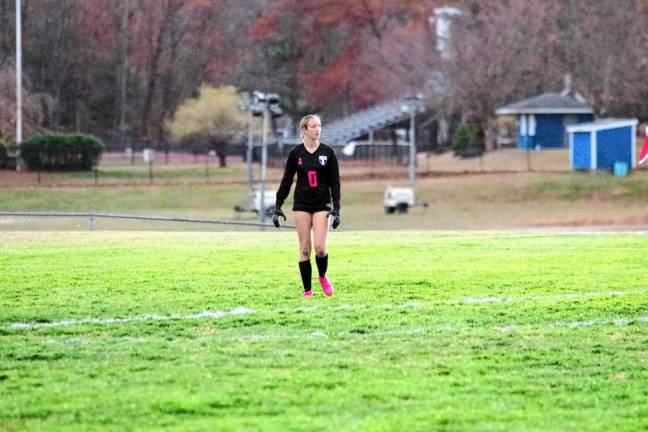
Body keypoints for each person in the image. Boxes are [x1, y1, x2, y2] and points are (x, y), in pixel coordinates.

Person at [273, 114, 341, 297]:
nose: (317, 129)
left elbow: (335, 182)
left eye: (319, 125)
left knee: (320, 247)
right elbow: (287, 181)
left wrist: (337, 208)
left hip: (322, 204)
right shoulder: (296, 154)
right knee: (304, 248)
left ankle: (322, 276)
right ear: (304, 130)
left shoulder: (328, 152)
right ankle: (307, 291)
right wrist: (278, 205)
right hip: (302, 204)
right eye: (313, 126)